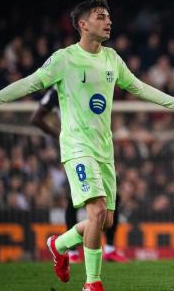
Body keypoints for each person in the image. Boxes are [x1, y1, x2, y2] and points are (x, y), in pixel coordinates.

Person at [0, 0, 174, 291]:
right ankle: (92, 284)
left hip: (104, 148)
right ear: (83, 25)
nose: (108, 21)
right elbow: (29, 83)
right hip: (77, 146)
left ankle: (59, 244)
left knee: (104, 221)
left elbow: (142, 89)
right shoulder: (63, 59)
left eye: (108, 17)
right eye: (100, 17)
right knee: (95, 213)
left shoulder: (112, 59)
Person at [31, 87, 128, 263]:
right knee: (75, 199)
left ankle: (110, 248)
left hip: (97, 148)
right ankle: (73, 252)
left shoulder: (87, 83)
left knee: (112, 196)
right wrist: (60, 136)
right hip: (75, 150)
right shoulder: (58, 90)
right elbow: (36, 118)